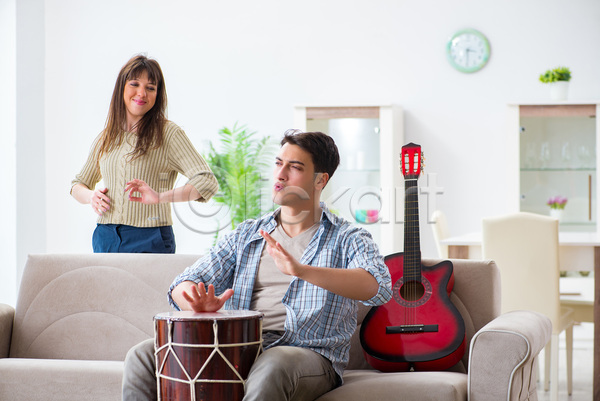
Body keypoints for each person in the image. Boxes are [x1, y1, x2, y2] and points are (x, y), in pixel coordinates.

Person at [122, 130, 392, 400]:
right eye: (278, 163)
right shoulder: (248, 234)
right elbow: (183, 283)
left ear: (320, 179)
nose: (281, 174)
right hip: (240, 344)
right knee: (143, 356)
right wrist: (195, 305)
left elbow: (377, 286)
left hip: (308, 354)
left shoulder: (348, 237)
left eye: (294, 167)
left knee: (272, 365)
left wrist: (300, 271)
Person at [70, 54, 219, 253]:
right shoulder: (106, 137)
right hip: (105, 236)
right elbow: (77, 185)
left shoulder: (168, 134)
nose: (142, 93)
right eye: (134, 84)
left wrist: (159, 197)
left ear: (157, 95)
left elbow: (207, 181)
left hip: (150, 237)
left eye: (150, 88)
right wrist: (91, 196)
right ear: (121, 88)